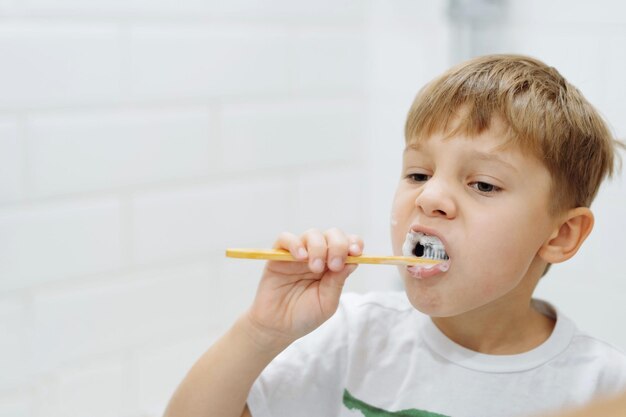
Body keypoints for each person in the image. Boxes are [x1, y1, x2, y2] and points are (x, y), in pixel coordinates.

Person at [163, 54, 626, 417]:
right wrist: (261, 333)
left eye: (483, 184)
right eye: (418, 173)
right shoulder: (353, 337)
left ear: (561, 235)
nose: (430, 198)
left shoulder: (601, 387)